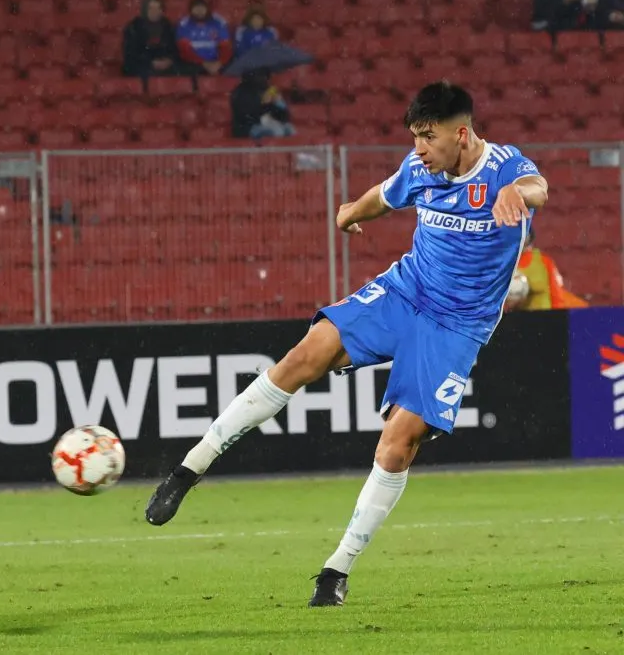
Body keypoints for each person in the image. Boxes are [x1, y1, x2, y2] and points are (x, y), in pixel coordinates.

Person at [144, 82, 549, 607]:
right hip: (406, 291)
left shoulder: (503, 168)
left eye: (428, 137)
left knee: (397, 444)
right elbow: (385, 195)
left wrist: (518, 194)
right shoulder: (420, 169)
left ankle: (335, 571)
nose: (419, 147)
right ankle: (187, 471)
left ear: (462, 133)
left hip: (456, 325)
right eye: (416, 137)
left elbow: (538, 185)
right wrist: (350, 213)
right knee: (303, 355)